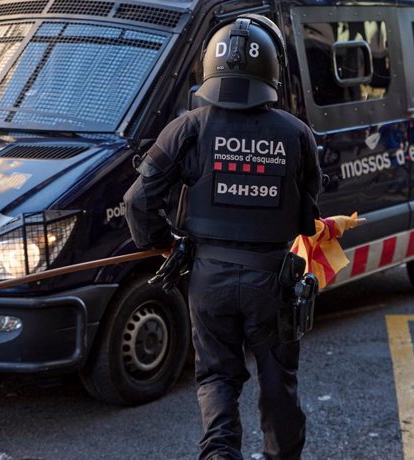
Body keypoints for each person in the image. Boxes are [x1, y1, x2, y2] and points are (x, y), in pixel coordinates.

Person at [123, 14, 322, 460]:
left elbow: (138, 200)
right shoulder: (297, 134)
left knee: (216, 378)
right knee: (278, 383)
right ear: (271, 71)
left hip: (207, 279)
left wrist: (164, 243)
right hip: (273, 283)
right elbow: (310, 213)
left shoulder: (187, 128)